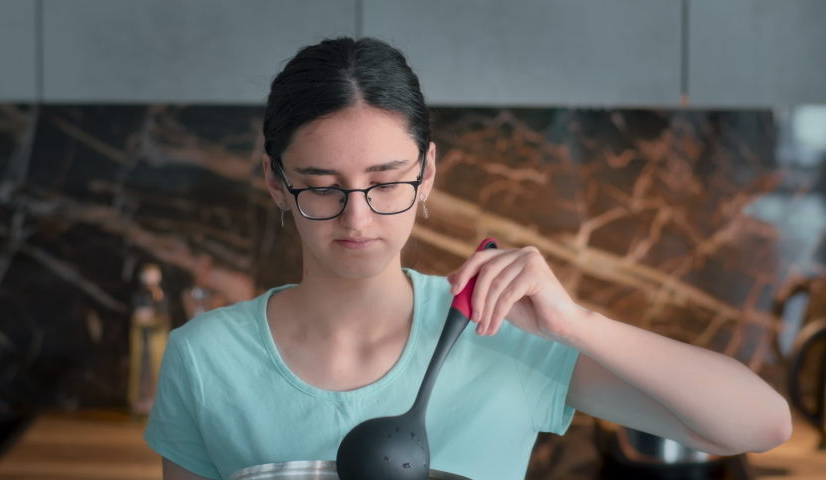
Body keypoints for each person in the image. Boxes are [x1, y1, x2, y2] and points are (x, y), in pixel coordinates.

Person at [143, 36, 792, 480]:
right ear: (276, 182)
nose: (358, 216)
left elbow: (759, 425)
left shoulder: (497, 333)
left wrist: (578, 325)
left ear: (427, 175)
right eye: (321, 185)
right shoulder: (204, 360)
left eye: (387, 180)